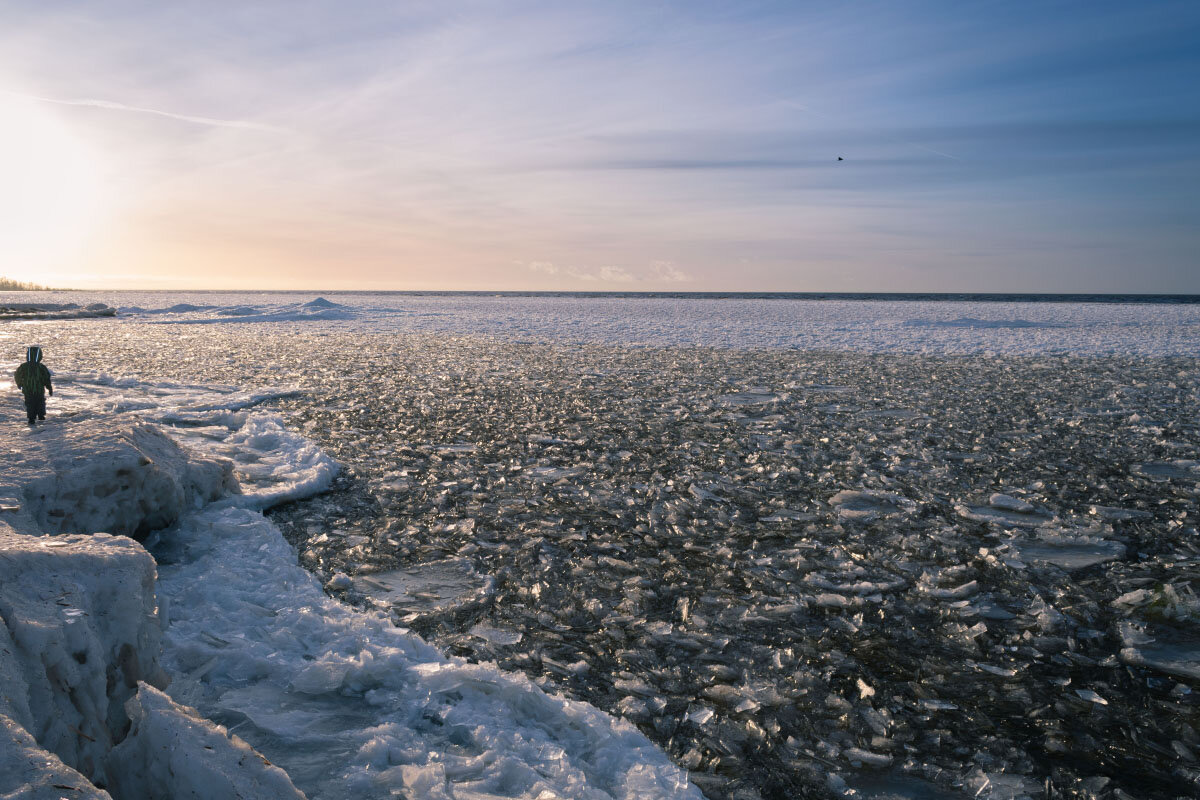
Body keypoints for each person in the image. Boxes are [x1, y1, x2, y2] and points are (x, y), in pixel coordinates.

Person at [13, 346, 52, 425]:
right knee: (40, 402)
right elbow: (46, 378)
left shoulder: (24, 366)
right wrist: (49, 387)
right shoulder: (41, 367)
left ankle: (32, 418)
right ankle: (40, 415)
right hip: (38, 389)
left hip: (28, 389)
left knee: (30, 403)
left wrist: (19, 384)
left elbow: (17, 375)